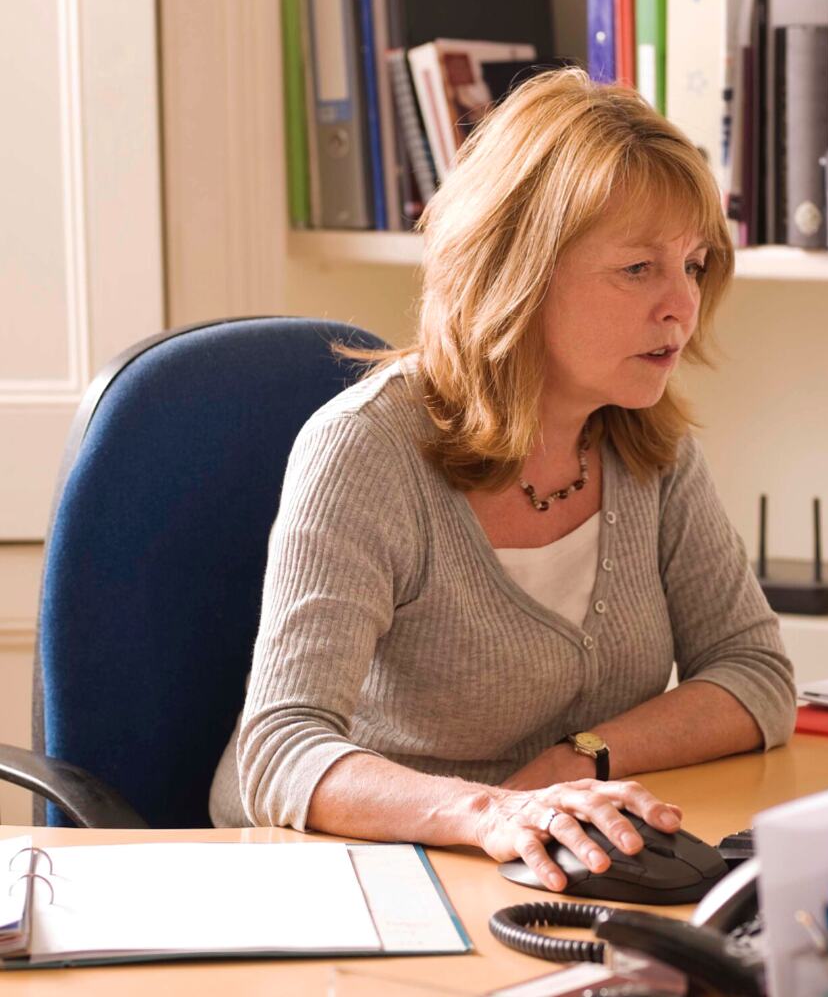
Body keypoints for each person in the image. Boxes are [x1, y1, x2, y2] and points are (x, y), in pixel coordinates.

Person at [209, 68, 796, 892]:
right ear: (518, 267)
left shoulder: (643, 441)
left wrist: (577, 762)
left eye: (693, 265)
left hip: (551, 870)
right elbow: (279, 750)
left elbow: (755, 675)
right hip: (372, 887)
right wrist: (490, 812)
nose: (682, 306)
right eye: (638, 269)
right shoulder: (367, 452)